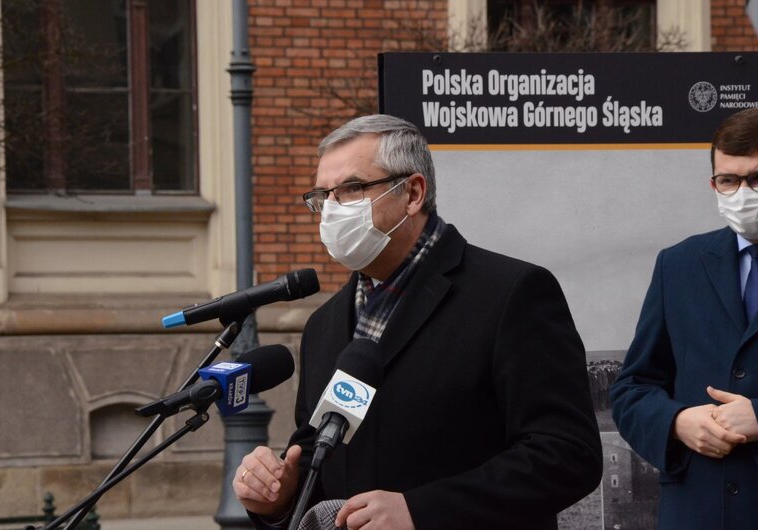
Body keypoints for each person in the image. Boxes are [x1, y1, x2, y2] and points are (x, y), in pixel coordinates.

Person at [233, 114, 602, 529]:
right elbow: (323, 458)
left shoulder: (511, 294)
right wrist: (280, 494)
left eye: (352, 188)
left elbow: (569, 455)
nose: (332, 210)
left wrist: (421, 510)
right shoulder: (325, 324)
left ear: (412, 193)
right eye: (323, 195)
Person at [610, 108, 758, 530]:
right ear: (714, 183)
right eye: (728, 181)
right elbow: (632, 389)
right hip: (698, 511)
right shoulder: (679, 265)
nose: (742, 193)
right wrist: (675, 422)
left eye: (756, 179)